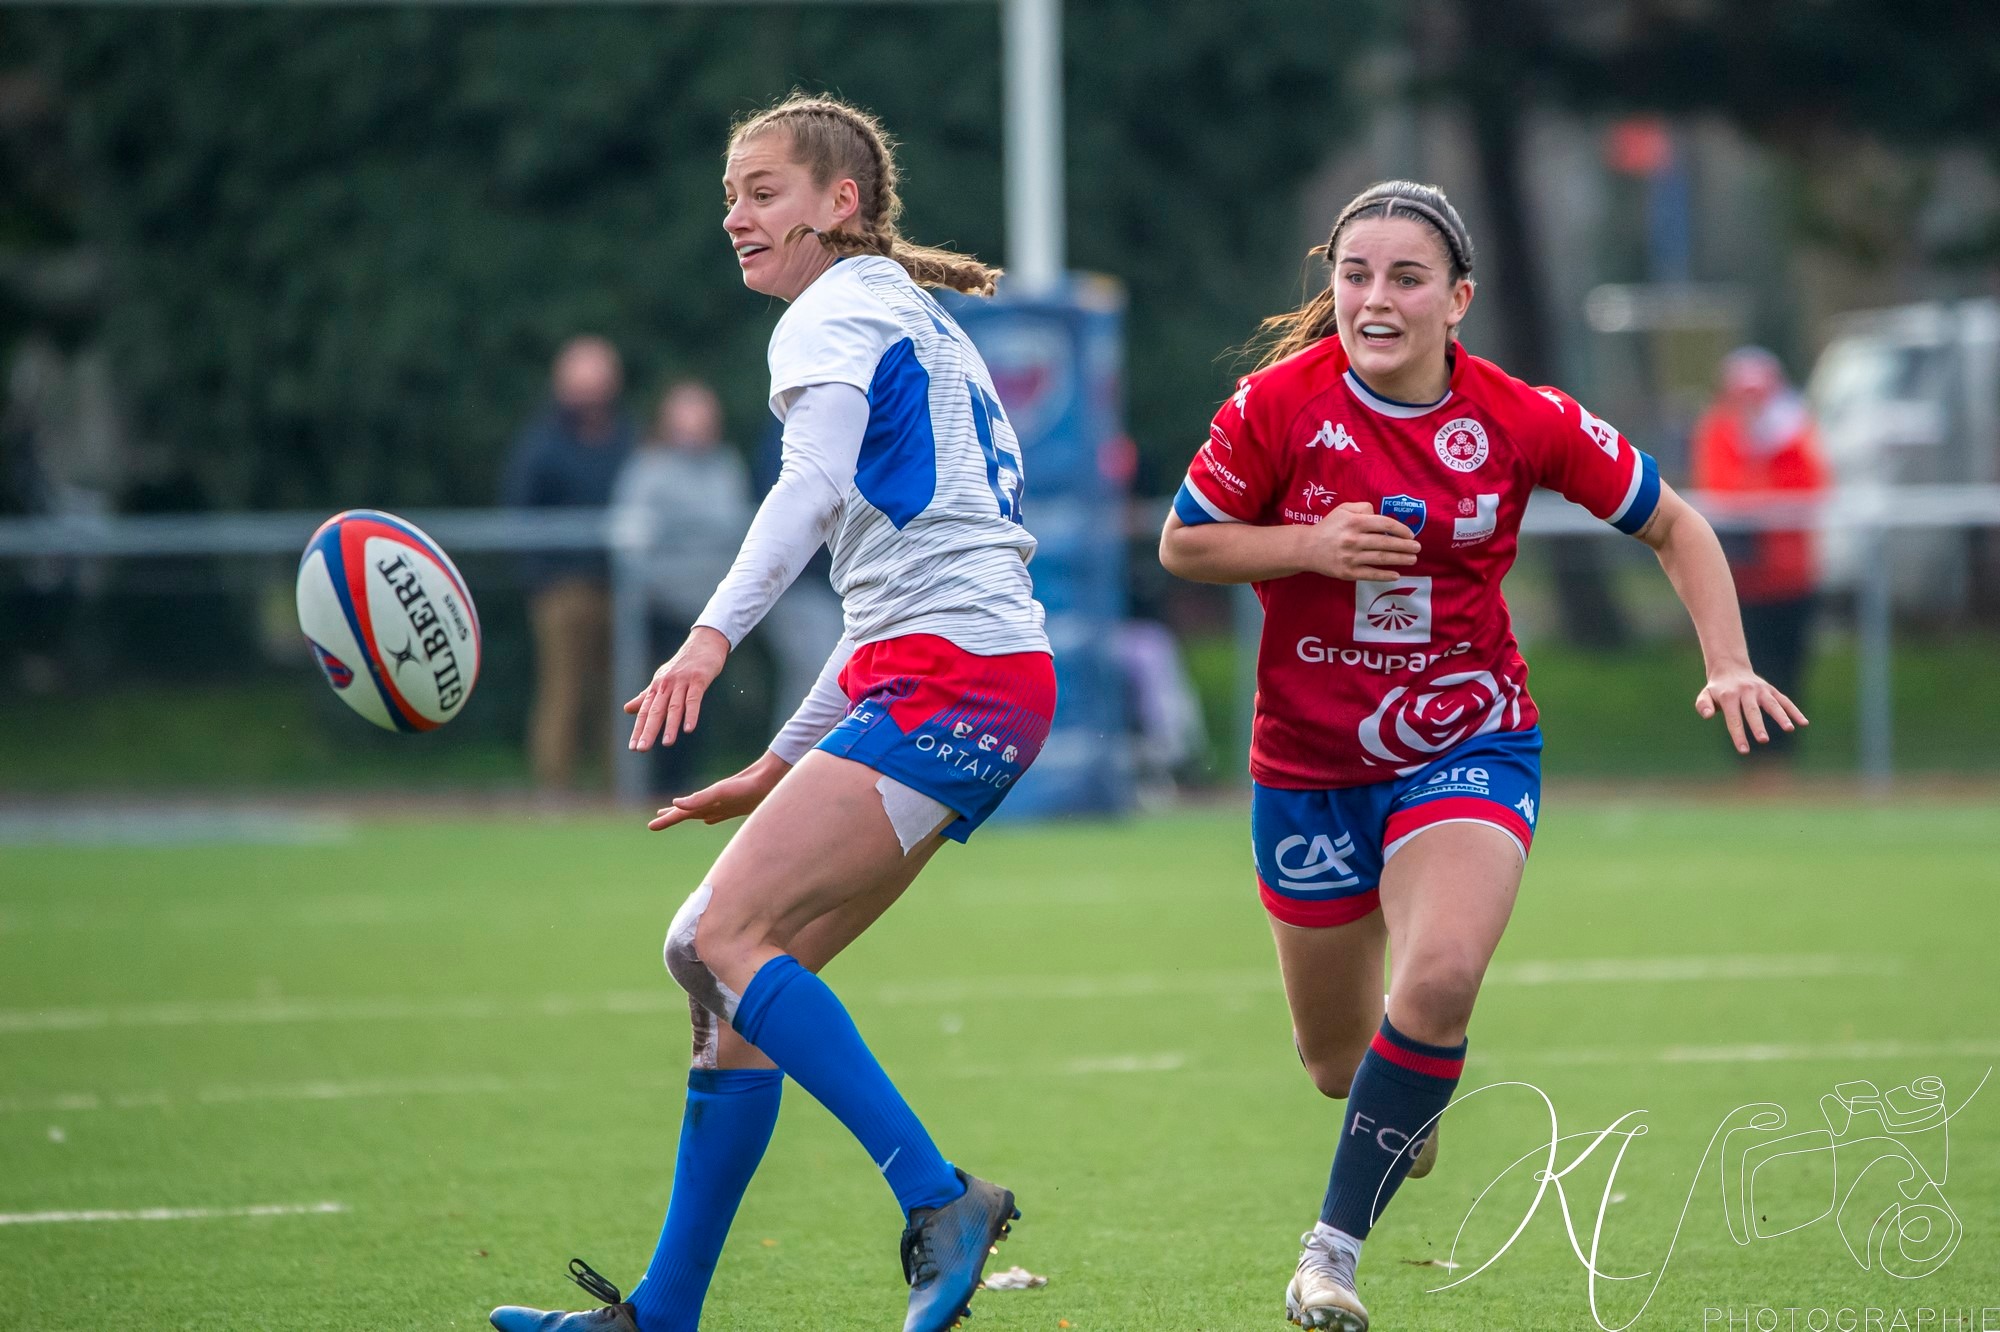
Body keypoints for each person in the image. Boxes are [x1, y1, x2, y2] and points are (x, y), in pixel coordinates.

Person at [1158, 181, 1806, 1331]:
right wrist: (1307, 542)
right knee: (1333, 1062)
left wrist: (1724, 661)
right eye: (1354, 274)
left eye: (1406, 278)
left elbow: (1675, 524)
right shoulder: (1273, 407)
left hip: (1467, 739)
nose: (1374, 298)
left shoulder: (1520, 417)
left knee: (1442, 973)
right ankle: (1402, 1092)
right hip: (1307, 767)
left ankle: (1327, 1257)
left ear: (1457, 299)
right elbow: (1184, 542)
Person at [490, 94, 1054, 1332]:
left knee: (729, 941)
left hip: (950, 678)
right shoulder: (905, 312)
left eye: (762, 191)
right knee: (716, 965)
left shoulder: (835, 309)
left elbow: (808, 491)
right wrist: (775, 761)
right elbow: (881, 592)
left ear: (838, 204)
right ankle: (663, 1313)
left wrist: (707, 636)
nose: (734, 215)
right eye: (730, 194)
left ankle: (940, 1198)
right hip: (965, 675)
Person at [502, 336, 636, 792]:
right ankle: (554, 791)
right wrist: (540, 578)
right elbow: (521, 512)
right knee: (563, 692)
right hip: (560, 589)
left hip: (620, 588)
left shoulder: (625, 437)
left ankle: (619, 789)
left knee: (620, 694)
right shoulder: (542, 443)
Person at [611, 380, 758, 790]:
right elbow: (630, 541)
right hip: (663, 611)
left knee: (702, 707)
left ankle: (688, 784)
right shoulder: (649, 469)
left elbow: (740, 534)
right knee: (657, 702)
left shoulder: (726, 466)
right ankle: (649, 788)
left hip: (712, 613)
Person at [1690, 346, 1830, 769]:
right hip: (1737, 583)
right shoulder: (1718, 431)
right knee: (1735, 669)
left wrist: (1766, 458)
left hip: (1790, 578)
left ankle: (1782, 761)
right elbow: (1720, 491)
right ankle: (1747, 763)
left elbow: (1808, 491)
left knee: (1787, 671)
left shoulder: (1796, 434)